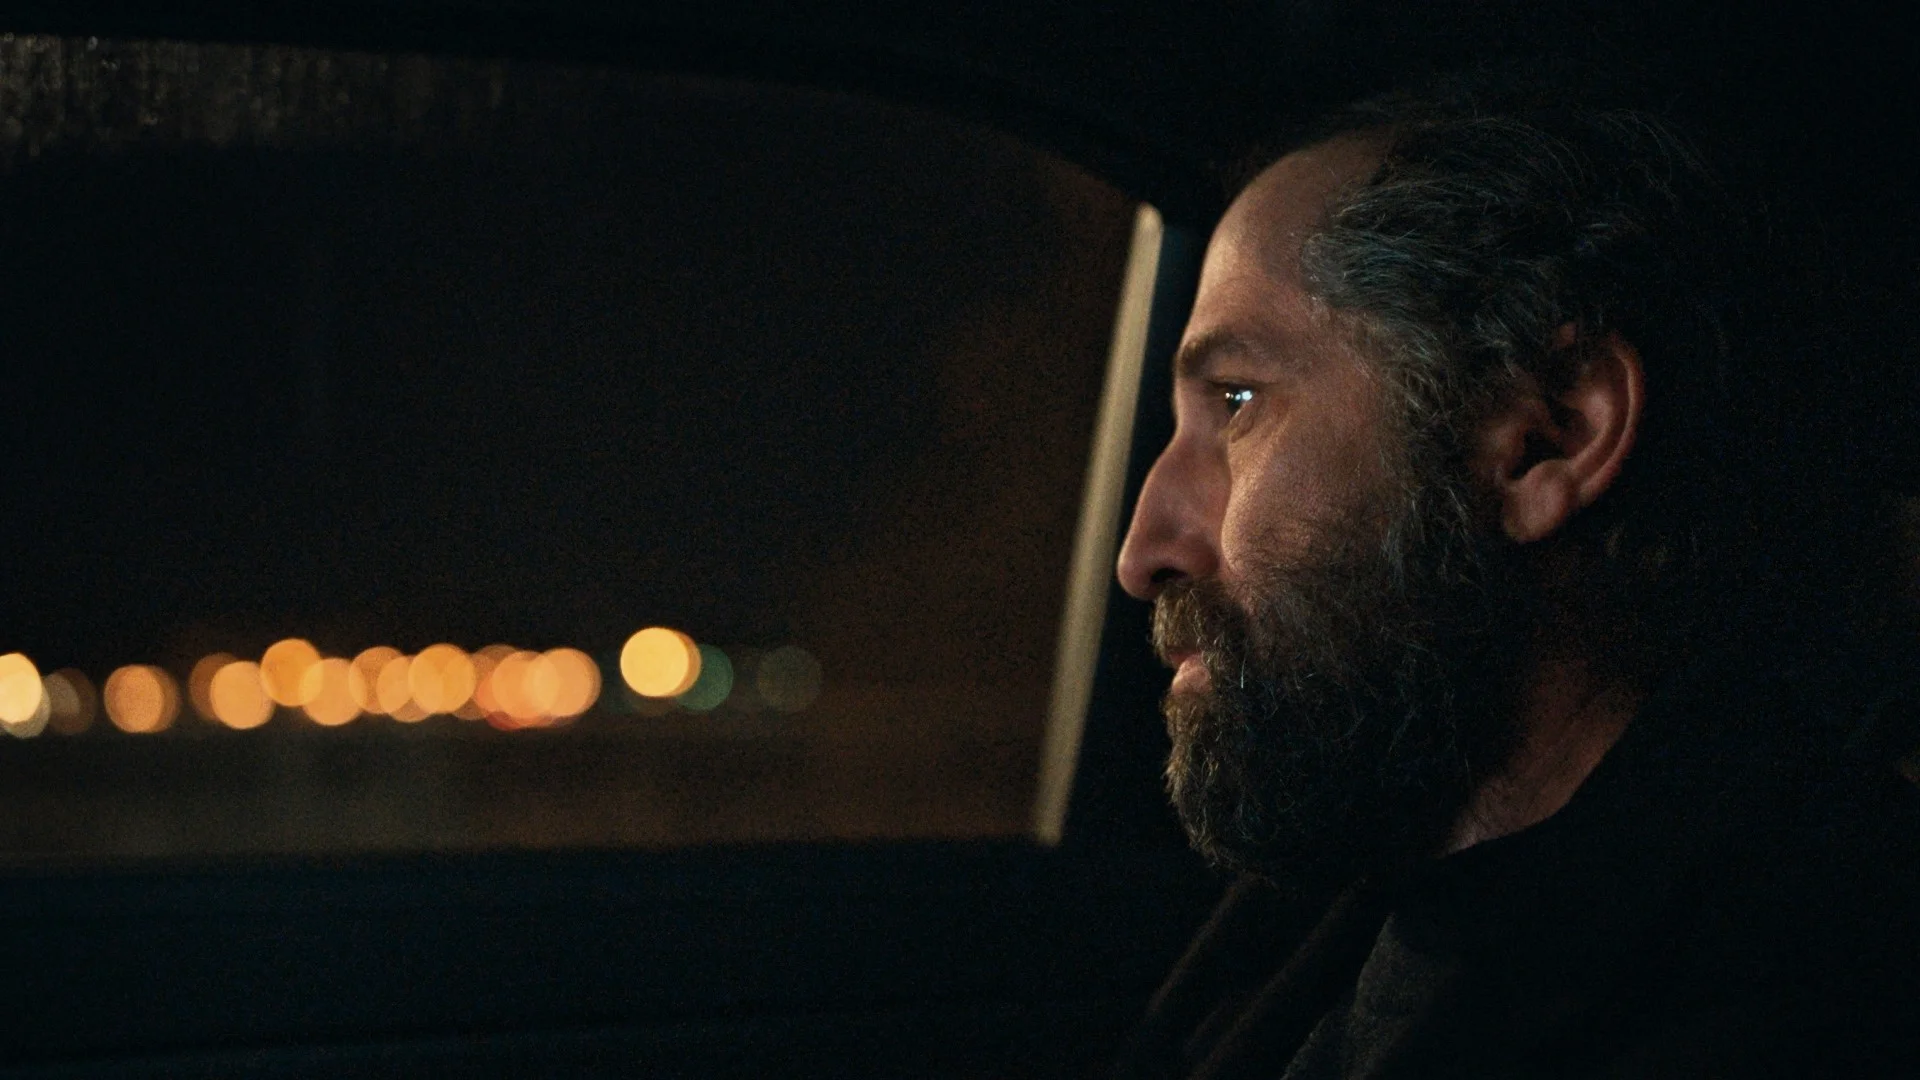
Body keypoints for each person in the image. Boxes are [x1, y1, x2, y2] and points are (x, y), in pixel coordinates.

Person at [1110, 78, 1920, 1078]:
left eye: (1238, 401)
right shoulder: (1334, 889)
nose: (1144, 551)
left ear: (1549, 437)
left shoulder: (1806, 998)